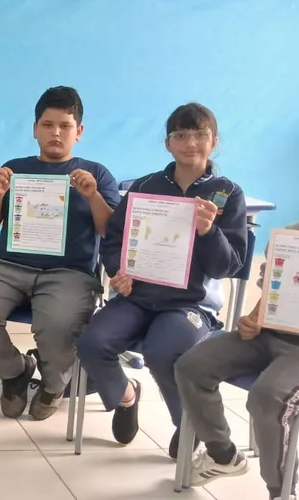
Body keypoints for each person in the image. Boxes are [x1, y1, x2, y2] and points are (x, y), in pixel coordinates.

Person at [77, 103, 247, 457]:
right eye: (180, 135)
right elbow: (115, 238)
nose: (190, 143)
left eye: (200, 134)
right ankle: (126, 396)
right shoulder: (146, 186)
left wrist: (209, 231)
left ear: (214, 141)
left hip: (189, 304)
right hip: (137, 296)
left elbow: (227, 266)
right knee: (93, 341)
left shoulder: (227, 193)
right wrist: (118, 271)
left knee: (163, 351)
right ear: (168, 143)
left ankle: (187, 423)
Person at [0, 86, 120, 421]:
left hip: (69, 273)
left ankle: (53, 385)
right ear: (34, 129)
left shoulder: (96, 174)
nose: (55, 132)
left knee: (58, 323)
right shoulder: (14, 169)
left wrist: (92, 196)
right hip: (9, 266)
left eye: (65, 126)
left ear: (79, 131)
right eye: (47, 125)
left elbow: (110, 232)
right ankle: (15, 371)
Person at [175, 223, 299, 500]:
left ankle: (281, 492)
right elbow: (278, 284)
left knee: (267, 397)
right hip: (271, 333)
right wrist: (255, 317)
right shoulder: (293, 235)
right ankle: (222, 455)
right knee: (192, 366)